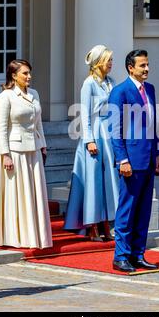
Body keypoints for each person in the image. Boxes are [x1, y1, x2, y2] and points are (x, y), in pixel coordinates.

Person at [0, 59, 52, 249]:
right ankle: (14, 236)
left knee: (34, 194)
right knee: (16, 195)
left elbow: (38, 122)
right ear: (14, 76)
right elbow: (1, 128)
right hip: (14, 152)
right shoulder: (5, 97)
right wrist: (5, 154)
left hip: (34, 150)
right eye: (25, 73)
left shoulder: (34, 94)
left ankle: (33, 235)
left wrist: (44, 145)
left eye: (29, 73)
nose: (29, 76)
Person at [109, 49, 159, 272]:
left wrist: (158, 153)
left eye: (147, 64)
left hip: (148, 159)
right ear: (131, 67)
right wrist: (122, 159)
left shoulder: (149, 89)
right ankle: (120, 255)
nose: (147, 69)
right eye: (142, 65)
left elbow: (153, 124)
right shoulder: (120, 92)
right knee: (127, 209)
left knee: (143, 211)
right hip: (130, 160)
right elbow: (115, 128)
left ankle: (138, 254)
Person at [64, 45, 119, 241]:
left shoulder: (111, 82)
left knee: (108, 180)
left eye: (112, 60)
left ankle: (106, 223)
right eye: (108, 60)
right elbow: (85, 114)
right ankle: (92, 225)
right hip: (95, 132)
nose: (112, 63)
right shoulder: (89, 84)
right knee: (93, 180)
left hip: (109, 132)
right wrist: (89, 140)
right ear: (99, 62)